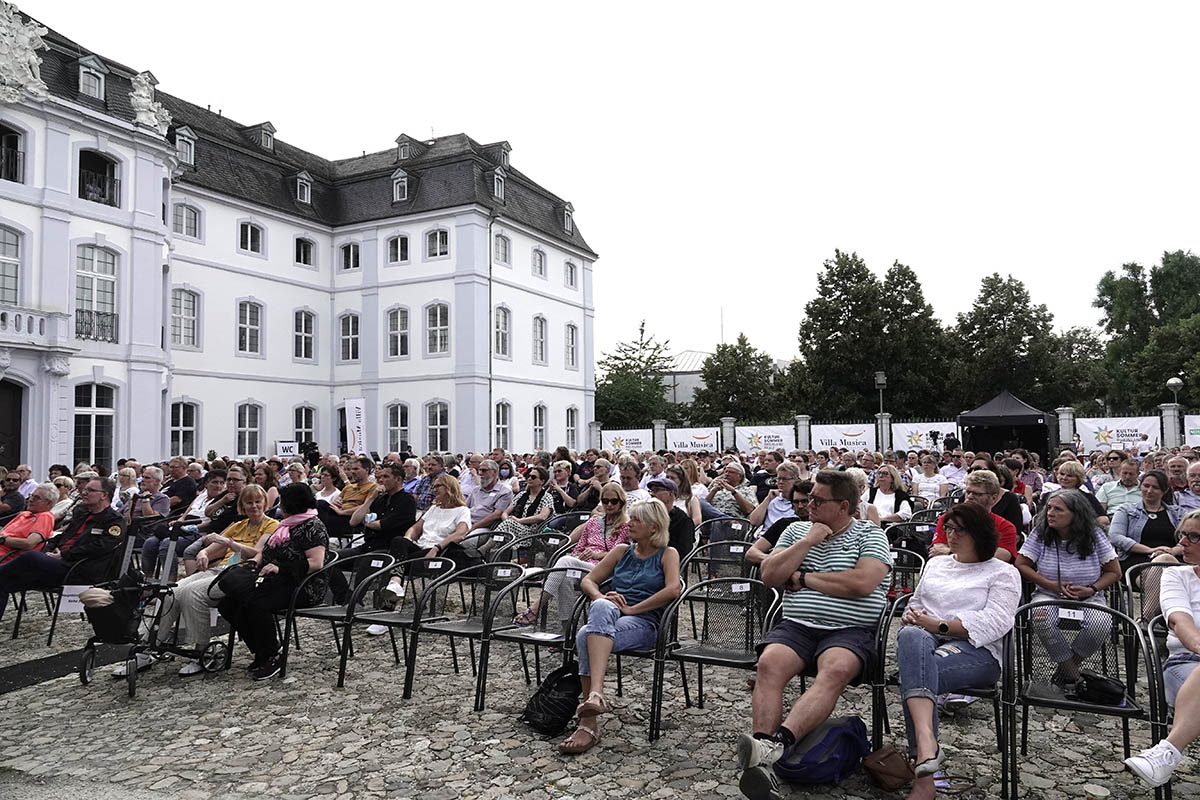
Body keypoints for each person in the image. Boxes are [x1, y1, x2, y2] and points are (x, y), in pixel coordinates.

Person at [736, 470, 891, 800]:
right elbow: (770, 575)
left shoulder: (870, 535)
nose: (809, 506)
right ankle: (765, 752)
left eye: (818, 501)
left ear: (844, 506)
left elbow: (861, 583)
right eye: (808, 500)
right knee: (769, 664)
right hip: (798, 625)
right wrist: (808, 540)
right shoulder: (796, 530)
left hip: (851, 629)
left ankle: (777, 746)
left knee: (833, 669)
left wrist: (805, 578)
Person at [897, 502, 1021, 800]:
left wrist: (940, 625)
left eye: (959, 530)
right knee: (913, 639)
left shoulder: (1002, 572)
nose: (950, 535)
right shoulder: (937, 564)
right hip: (925, 639)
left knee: (918, 673)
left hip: (976, 650)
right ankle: (928, 754)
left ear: (978, 533)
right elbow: (916, 601)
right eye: (948, 528)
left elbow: (996, 623)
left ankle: (925, 766)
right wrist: (913, 616)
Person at [557, 498, 681, 754]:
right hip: (612, 616)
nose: (629, 523)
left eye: (636, 519)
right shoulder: (622, 550)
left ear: (654, 527)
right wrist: (602, 597)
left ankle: (589, 720)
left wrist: (634, 608)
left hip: (645, 623)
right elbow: (589, 581)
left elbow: (673, 589)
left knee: (584, 634)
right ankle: (595, 699)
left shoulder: (668, 553)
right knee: (596, 614)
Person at [130, 484, 278, 676]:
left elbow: (257, 553)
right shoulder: (238, 525)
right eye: (249, 502)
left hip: (240, 575)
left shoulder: (272, 525)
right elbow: (214, 543)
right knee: (170, 591)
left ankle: (200, 651)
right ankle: (148, 646)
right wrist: (204, 552)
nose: (254, 506)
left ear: (265, 503)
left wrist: (229, 543)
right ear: (242, 505)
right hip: (220, 569)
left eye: (258, 502)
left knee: (193, 594)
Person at [1015, 489, 1122, 697]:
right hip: (1049, 594)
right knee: (1040, 618)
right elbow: (1022, 564)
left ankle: (1066, 670)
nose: (1050, 513)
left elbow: (1114, 571)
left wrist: (1091, 589)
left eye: (1058, 510)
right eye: (1050, 508)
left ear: (1075, 514)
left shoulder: (1095, 534)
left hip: (1089, 596)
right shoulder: (1040, 532)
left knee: (1100, 624)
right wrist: (1050, 584)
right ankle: (1073, 674)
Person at [218, 482, 329, 680]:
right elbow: (266, 551)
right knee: (228, 603)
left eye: (282, 502)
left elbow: (316, 562)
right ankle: (261, 650)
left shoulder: (312, 526)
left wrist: (280, 568)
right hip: (274, 580)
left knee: (255, 602)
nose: (279, 505)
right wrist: (254, 562)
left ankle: (272, 655)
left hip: (303, 584)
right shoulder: (285, 525)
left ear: (291, 504)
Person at [1123, 510, 1200, 787]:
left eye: (1194, 536)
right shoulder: (1177, 576)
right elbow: (1181, 622)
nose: (1184, 542)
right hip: (1186, 663)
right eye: (1182, 535)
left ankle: (1165, 755)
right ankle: (1167, 752)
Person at [513, 483, 632, 631]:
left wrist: (598, 554)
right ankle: (567, 631)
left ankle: (535, 608)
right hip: (583, 567)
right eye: (605, 501)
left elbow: (624, 554)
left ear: (621, 502)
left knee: (565, 561)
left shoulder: (626, 526)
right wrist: (577, 557)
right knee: (565, 578)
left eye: (613, 501)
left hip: (605, 570)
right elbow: (579, 547)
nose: (609, 504)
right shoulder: (594, 522)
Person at [0, 477, 126, 615]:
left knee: (30, 556)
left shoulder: (114, 520)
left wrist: (64, 555)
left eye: (90, 490)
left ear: (104, 495)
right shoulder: (82, 514)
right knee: (2, 583)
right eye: (84, 489)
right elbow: (60, 537)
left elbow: (101, 547)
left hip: (79, 570)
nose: (83, 493)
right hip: (57, 565)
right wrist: (48, 551)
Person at [328, 462, 417, 607]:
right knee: (331, 558)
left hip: (387, 549)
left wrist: (368, 522)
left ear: (398, 479)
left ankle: (356, 602)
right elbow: (354, 521)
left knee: (366, 562)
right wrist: (370, 498)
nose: (381, 480)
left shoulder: (406, 501)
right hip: (367, 546)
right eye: (380, 476)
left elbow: (384, 525)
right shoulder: (379, 499)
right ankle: (346, 599)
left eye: (386, 476)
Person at [928, 470, 1018, 562]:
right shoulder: (948, 519)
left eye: (977, 494)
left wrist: (950, 553)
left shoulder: (1005, 526)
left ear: (993, 498)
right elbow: (937, 550)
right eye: (968, 492)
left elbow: (1001, 557)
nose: (970, 497)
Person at [1109, 469, 1184, 570]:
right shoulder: (1126, 510)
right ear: (1140, 486)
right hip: (1137, 560)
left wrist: (1172, 551)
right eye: (1146, 486)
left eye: (1155, 487)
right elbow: (1115, 536)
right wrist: (1150, 550)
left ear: (1164, 490)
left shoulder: (1178, 513)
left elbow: (1189, 538)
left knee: (1166, 560)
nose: (1149, 491)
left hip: (1174, 559)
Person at [393, 475, 475, 562]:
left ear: (449, 487)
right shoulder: (433, 508)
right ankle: (398, 571)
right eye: (434, 487)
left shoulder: (462, 510)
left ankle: (397, 570)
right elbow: (415, 528)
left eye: (438, 486)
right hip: (421, 547)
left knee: (402, 558)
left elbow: (460, 534)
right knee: (398, 540)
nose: (434, 490)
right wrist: (408, 538)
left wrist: (437, 548)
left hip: (440, 550)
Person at [746, 481, 813, 567]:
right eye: (796, 502)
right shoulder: (784, 524)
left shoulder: (824, 527)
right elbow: (751, 553)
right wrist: (776, 561)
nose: (800, 506)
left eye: (804, 501)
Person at [0, 483, 56, 566]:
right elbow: (3, 532)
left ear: (48, 503)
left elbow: (29, 543)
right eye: (31, 495)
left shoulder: (45, 516)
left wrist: (2, 540)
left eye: (37, 498)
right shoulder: (24, 514)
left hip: (8, 559)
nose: (30, 499)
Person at [495, 466, 555, 539]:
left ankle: (484, 548)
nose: (529, 478)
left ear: (542, 481)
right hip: (513, 526)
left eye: (533, 477)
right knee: (507, 524)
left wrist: (519, 521)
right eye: (528, 476)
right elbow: (505, 512)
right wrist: (507, 520)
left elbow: (542, 516)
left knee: (507, 525)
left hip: (532, 533)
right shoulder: (521, 495)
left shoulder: (547, 497)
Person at [647, 478, 696, 560]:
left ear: (671, 494)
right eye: (651, 490)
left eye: (656, 490)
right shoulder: (647, 516)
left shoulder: (683, 521)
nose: (652, 494)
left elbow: (683, 553)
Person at [748, 462, 800, 530]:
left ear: (796, 480)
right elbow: (753, 521)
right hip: (765, 535)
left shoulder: (800, 502)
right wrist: (768, 499)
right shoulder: (772, 499)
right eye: (778, 479)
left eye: (784, 479)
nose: (780, 482)